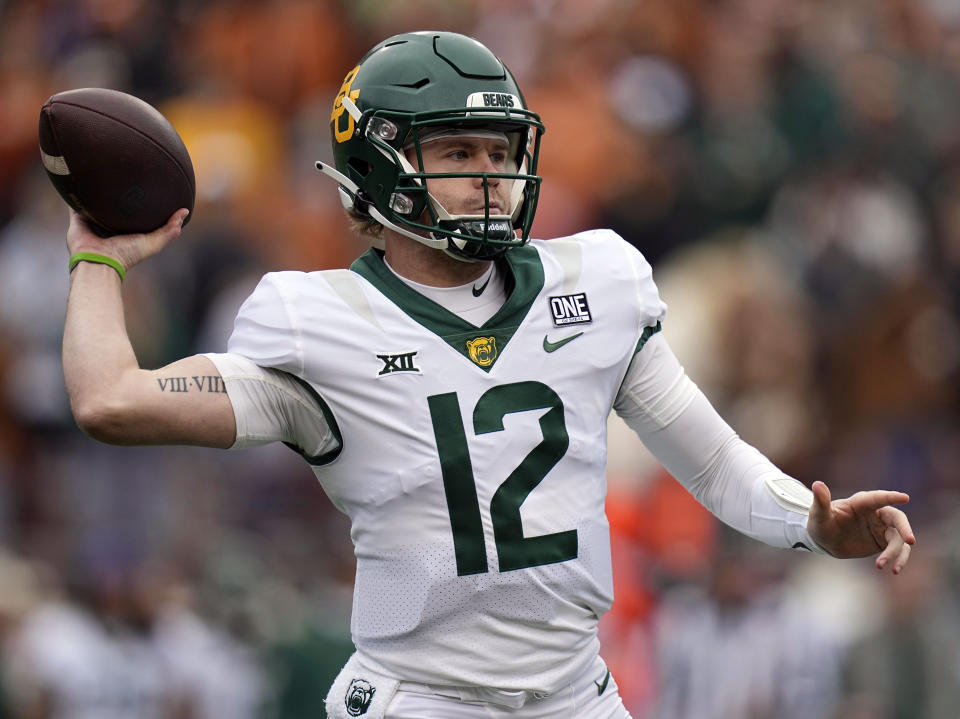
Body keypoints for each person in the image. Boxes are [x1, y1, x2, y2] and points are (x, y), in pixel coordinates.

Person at [61, 31, 915, 719]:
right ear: (380, 166)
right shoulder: (316, 321)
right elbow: (111, 401)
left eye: (500, 151)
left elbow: (714, 461)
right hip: (419, 698)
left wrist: (812, 524)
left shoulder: (598, 282)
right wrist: (99, 258)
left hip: (578, 694)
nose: (491, 179)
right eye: (459, 151)